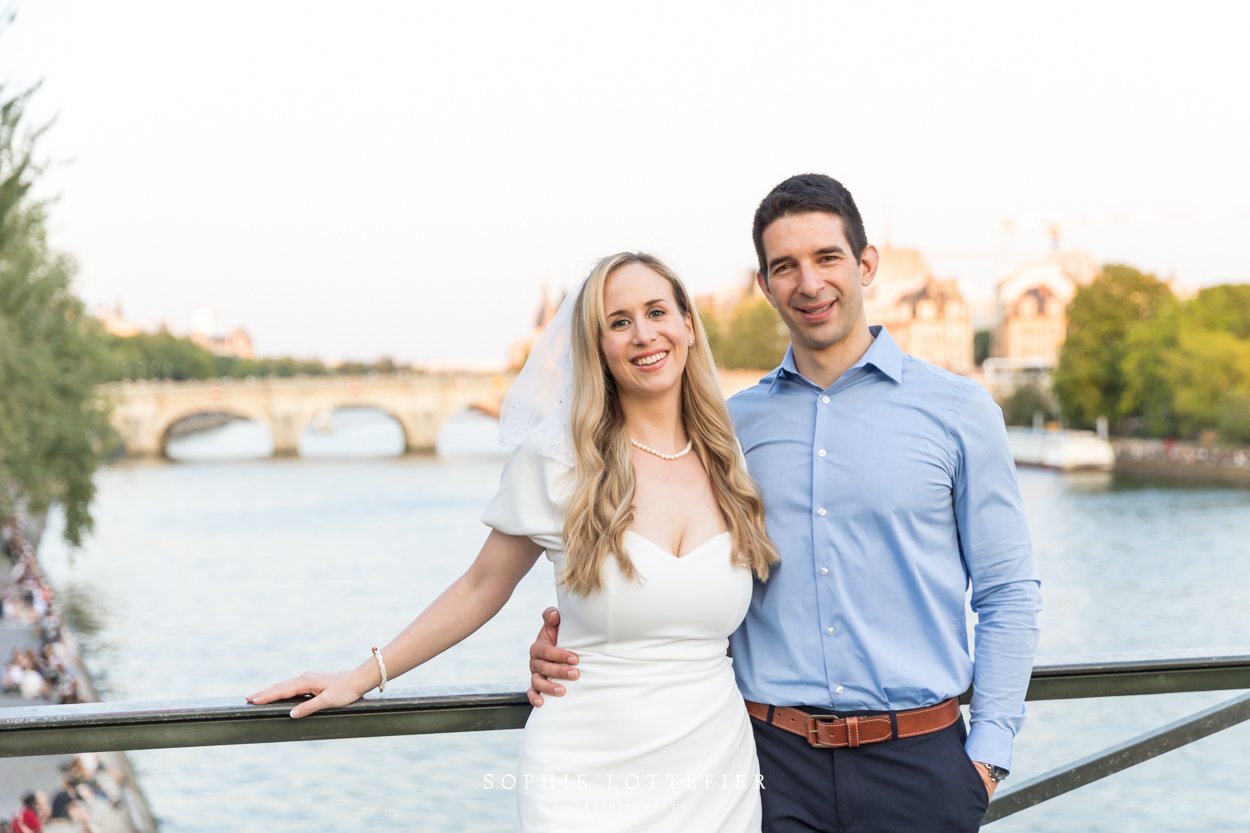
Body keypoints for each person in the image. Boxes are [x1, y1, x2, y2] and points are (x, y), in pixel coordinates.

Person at [528, 175, 1042, 833]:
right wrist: (575, 639)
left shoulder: (960, 411)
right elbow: (668, 568)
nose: (809, 282)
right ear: (765, 285)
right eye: (784, 267)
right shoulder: (724, 432)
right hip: (767, 768)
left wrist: (987, 756)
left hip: (921, 763)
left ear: (866, 264)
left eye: (827, 257)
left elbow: (1008, 592)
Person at [248, 252, 778, 832]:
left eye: (657, 312)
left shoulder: (734, 460)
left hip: (715, 773)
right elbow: (480, 588)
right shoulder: (558, 463)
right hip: (584, 776)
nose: (643, 333)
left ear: (688, 326)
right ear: (596, 347)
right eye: (619, 321)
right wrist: (362, 675)